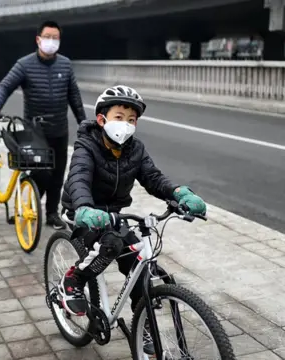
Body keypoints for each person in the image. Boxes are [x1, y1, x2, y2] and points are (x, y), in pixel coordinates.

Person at [59, 85, 207, 317]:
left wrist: (179, 193)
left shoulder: (135, 149)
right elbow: (78, 178)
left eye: (132, 119)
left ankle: (144, 324)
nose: (126, 123)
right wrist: (84, 208)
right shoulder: (86, 147)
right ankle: (75, 280)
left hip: (114, 215)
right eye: (119, 117)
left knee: (139, 269)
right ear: (101, 119)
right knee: (111, 245)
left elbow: (153, 178)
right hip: (82, 211)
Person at [0, 20, 86, 230]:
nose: (51, 41)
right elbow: (5, 86)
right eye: (47, 37)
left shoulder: (65, 65)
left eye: (55, 38)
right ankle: (26, 204)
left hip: (59, 129)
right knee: (42, 172)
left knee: (57, 174)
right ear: (38, 39)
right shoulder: (24, 64)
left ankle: (51, 214)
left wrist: (83, 122)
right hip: (34, 132)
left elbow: (74, 96)